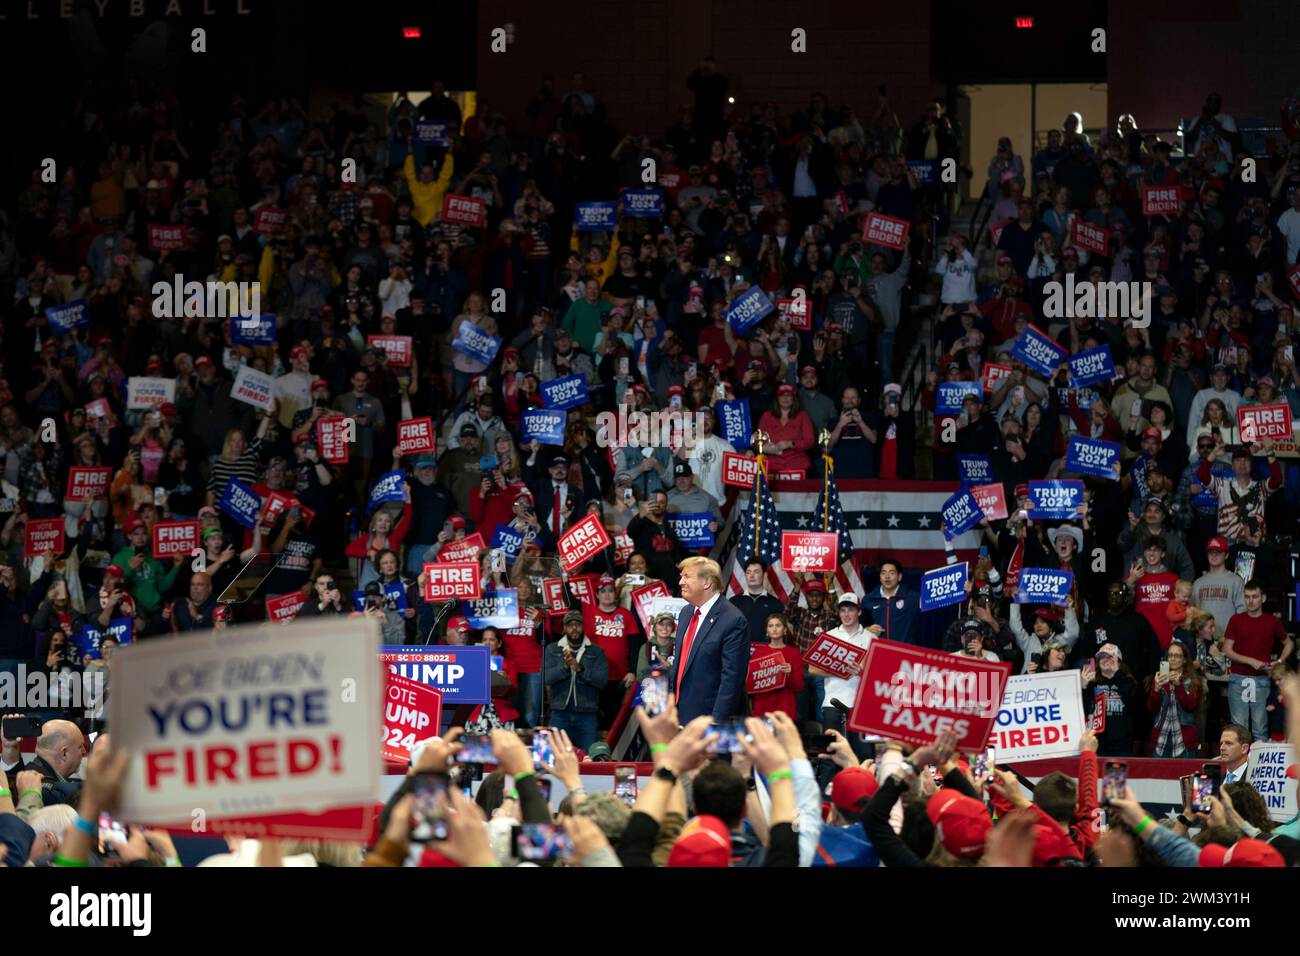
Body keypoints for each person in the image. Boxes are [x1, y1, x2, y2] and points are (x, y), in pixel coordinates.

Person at [669, 556, 748, 724]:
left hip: (709, 720)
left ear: (706, 582)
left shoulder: (733, 620)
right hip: (680, 715)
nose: (680, 582)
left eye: (687, 576)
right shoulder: (685, 613)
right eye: (681, 576)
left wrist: (716, 722)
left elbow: (732, 679)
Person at [1222, 580, 1293, 741]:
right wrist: (1250, 661)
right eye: (1247, 597)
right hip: (1238, 677)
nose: (1250, 601)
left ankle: (1257, 765)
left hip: (1261, 679)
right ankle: (1241, 765)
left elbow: (1289, 643)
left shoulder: (1271, 621)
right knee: (1238, 729)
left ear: (1263, 598)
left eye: (1254, 596)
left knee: (1260, 727)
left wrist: (1280, 661)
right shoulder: (1236, 620)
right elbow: (1227, 650)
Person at [542, 610, 608, 750]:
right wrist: (565, 666)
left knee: (588, 760)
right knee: (553, 757)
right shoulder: (552, 649)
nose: (574, 628)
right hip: (559, 712)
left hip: (587, 713)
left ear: (583, 627)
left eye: (577, 624)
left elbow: (602, 681)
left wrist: (581, 670)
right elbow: (546, 678)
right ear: (564, 628)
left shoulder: (597, 651)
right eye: (570, 625)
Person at [1147, 639, 1205, 757]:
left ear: (1184, 659)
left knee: (1185, 775)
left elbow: (1190, 706)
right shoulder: (1160, 678)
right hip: (1161, 737)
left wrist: (1179, 686)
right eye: (1170, 655)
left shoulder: (1192, 680)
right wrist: (1156, 689)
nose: (1173, 659)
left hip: (1183, 739)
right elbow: (1152, 709)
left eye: (1177, 656)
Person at [749, 614, 804, 722]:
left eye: (778, 625)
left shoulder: (794, 653)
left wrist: (790, 673)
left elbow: (799, 687)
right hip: (762, 708)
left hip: (785, 709)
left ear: (784, 630)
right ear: (767, 631)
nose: (774, 629)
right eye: (770, 626)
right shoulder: (758, 653)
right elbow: (751, 685)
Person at [862, 557, 920, 646]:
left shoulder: (912, 598)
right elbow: (859, 626)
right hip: (879, 651)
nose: (887, 577)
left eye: (892, 573)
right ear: (880, 577)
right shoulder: (868, 599)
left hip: (905, 653)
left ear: (899, 577)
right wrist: (866, 630)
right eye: (883, 573)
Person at [730, 558, 783, 645]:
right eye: (748, 572)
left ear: (765, 575)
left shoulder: (775, 604)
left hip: (765, 654)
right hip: (739, 652)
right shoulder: (734, 602)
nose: (751, 575)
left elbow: (778, 634)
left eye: (756, 572)